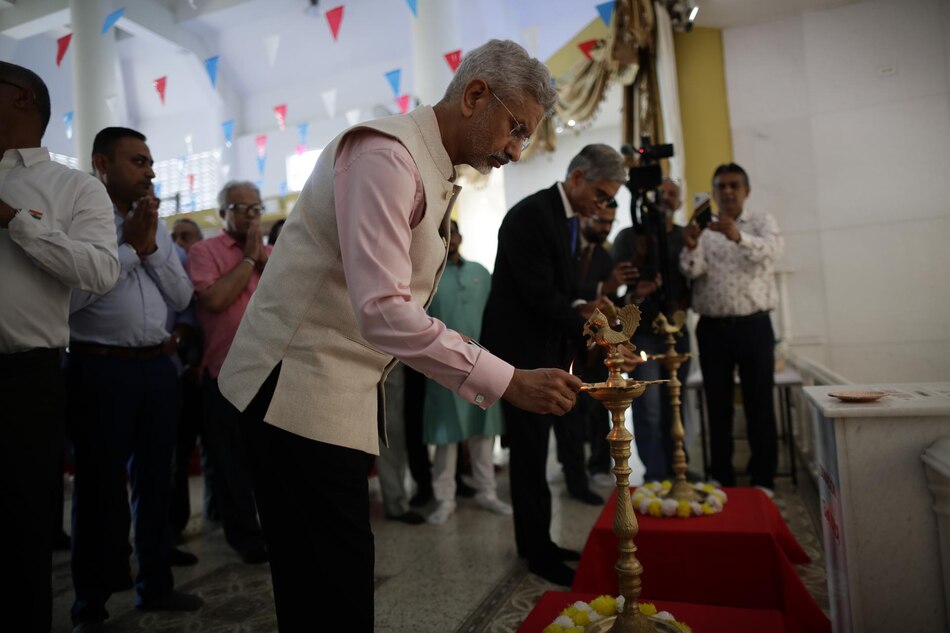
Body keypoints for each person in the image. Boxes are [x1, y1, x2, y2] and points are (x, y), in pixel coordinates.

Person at [217, 39, 578, 632]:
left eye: (526, 138)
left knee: (333, 581)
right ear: (475, 95)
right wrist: (507, 380)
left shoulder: (429, 166)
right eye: (516, 129)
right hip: (293, 393)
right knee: (327, 590)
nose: (516, 151)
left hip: (329, 396)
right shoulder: (386, 156)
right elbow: (384, 311)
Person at [66, 126, 202, 632]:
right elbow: (70, 300)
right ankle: (91, 605)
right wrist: (127, 247)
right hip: (100, 367)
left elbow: (182, 295)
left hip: (157, 369)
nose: (149, 171)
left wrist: (148, 248)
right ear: (102, 164)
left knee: (156, 479)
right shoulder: (80, 219)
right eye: (137, 161)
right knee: (99, 488)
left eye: (150, 162)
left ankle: (155, 583)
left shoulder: (154, 223)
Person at [0, 61, 119, 633]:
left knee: (21, 534)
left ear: (23, 98)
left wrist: (15, 221)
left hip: (22, 381)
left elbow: (100, 272)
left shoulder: (74, 187)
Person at [481, 143, 631, 587]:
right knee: (530, 458)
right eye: (601, 195)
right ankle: (537, 552)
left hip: (545, 347)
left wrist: (593, 307)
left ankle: (539, 542)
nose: (602, 206)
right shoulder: (532, 215)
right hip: (520, 356)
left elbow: (564, 289)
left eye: (609, 200)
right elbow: (539, 295)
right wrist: (591, 321)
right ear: (578, 177)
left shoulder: (565, 217)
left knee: (541, 451)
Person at [680, 163, 783, 495]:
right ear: (712, 192)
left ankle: (763, 478)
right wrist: (692, 245)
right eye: (720, 186)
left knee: (759, 403)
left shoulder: (761, 222)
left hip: (755, 326)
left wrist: (739, 237)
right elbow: (691, 271)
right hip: (712, 329)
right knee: (717, 405)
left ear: (746, 191)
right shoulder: (703, 228)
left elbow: (772, 253)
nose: (727, 191)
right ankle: (720, 475)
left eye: (734, 185)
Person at [186, 181, 271, 563]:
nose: (252, 216)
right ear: (223, 213)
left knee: (270, 460)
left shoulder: (272, 255)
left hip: (270, 372)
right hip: (224, 374)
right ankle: (247, 539)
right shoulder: (204, 252)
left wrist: (261, 257)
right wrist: (249, 260)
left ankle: (276, 528)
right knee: (231, 463)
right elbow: (215, 299)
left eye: (257, 208)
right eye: (242, 208)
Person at [424, 220, 513, 525]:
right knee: (445, 435)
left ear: (460, 236)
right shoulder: (427, 277)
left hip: (482, 362)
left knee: (483, 432)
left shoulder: (480, 273)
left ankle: (487, 492)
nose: (449, 239)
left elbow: (497, 315)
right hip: (441, 365)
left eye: (452, 232)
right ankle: (444, 499)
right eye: (442, 234)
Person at [613, 177, 691, 481]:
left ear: (679, 201)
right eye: (661, 192)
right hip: (643, 334)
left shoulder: (684, 237)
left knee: (676, 405)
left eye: (672, 194)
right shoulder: (628, 238)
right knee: (649, 409)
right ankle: (656, 476)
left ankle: (679, 470)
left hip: (677, 334)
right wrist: (640, 257)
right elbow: (615, 289)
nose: (665, 198)